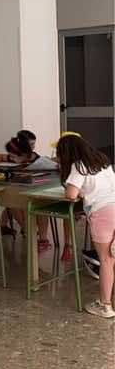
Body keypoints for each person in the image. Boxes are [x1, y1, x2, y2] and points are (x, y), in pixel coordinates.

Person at [57, 133, 115, 318]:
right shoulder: (102, 160)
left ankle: (105, 306)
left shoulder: (78, 166)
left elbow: (71, 195)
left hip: (103, 213)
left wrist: (78, 190)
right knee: (112, 258)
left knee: (106, 260)